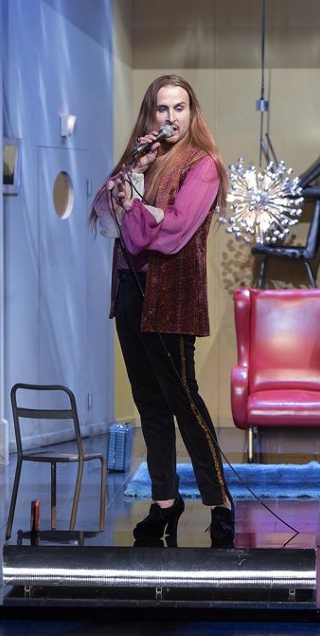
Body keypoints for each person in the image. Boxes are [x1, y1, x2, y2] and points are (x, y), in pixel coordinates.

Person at [92, 74, 234, 547]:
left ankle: (220, 502)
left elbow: (170, 235)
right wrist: (133, 176)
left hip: (171, 297)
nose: (170, 118)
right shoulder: (143, 160)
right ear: (150, 114)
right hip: (132, 291)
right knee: (149, 403)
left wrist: (134, 212)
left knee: (184, 400)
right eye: (162, 109)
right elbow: (106, 214)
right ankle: (166, 502)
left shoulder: (203, 164)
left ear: (192, 113)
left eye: (179, 108)